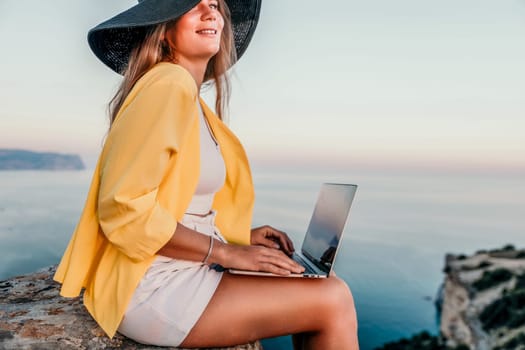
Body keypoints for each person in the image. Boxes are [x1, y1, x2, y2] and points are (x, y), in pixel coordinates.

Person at [54, 0, 359, 348]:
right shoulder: (167, 85)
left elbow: (178, 203)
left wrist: (241, 237)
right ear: (164, 28)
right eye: (191, 5)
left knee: (319, 282)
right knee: (333, 298)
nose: (210, 12)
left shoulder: (187, 95)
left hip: (180, 268)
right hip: (152, 285)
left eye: (213, 4)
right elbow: (124, 209)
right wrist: (227, 253)